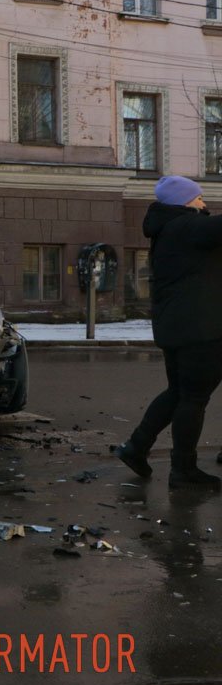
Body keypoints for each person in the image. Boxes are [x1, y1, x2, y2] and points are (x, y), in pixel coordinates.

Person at [114, 175, 222, 490]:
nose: (204, 203)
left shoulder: (167, 230)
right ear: (184, 201)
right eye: (198, 197)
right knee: (193, 398)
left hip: (176, 327)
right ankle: (183, 470)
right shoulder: (188, 227)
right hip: (200, 329)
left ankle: (136, 447)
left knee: (178, 392)